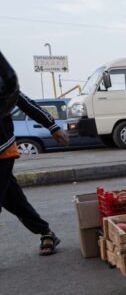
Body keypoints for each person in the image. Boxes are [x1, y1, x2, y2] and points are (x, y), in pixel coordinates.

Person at [0, 50, 70, 255]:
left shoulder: (2, 84)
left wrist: (52, 126)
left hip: (2, 149)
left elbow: (24, 102)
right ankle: (46, 232)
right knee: (13, 199)